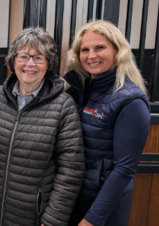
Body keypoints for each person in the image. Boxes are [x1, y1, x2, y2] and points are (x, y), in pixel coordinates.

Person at [0, 27, 85, 226]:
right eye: (23, 56)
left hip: (33, 216)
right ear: (13, 60)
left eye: (38, 57)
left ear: (48, 63)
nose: (30, 64)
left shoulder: (63, 106)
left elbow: (71, 171)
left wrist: (52, 221)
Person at [64, 20, 150, 226]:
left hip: (104, 209)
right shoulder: (80, 90)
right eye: (85, 49)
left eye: (99, 47)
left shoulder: (132, 101)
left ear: (117, 50)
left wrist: (91, 220)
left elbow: (124, 170)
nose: (91, 55)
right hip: (77, 199)